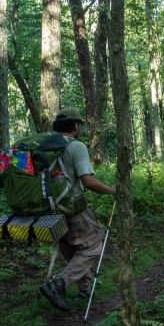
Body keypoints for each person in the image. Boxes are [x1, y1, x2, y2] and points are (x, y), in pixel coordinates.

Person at [39, 108, 116, 313]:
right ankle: (58, 284)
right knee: (93, 245)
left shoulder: (44, 146)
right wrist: (112, 190)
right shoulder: (76, 146)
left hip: (49, 210)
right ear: (76, 126)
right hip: (73, 208)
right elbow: (87, 181)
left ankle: (84, 290)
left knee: (74, 249)